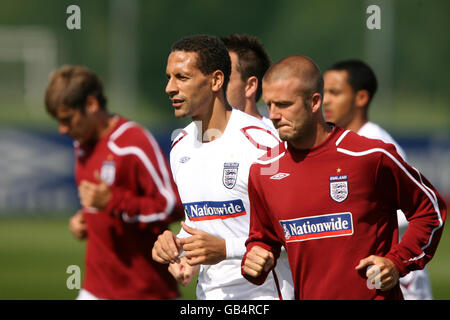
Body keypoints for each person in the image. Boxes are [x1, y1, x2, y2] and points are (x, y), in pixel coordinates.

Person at [241, 55, 446, 299]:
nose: (273, 115)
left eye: (284, 105)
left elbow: (430, 210)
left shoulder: (370, 156)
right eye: (270, 104)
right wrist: (255, 256)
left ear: (315, 102)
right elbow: (263, 239)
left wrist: (396, 262)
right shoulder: (264, 170)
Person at [152, 34, 294, 300]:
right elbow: (203, 223)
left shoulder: (262, 145)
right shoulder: (180, 146)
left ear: (216, 80)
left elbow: (298, 232)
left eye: (182, 78)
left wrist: (226, 249)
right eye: (169, 77)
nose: (169, 88)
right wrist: (176, 245)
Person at [44, 65, 184, 300]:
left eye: (67, 119)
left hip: (145, 291)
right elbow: (103, 205)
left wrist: (113, 202)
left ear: (91, 105)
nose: (62, 129)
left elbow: (174, 205)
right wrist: (85, 218)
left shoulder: (133, 143)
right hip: (95, 288)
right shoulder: (82, 145)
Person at [323, 59, 433, 300]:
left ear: (361, 98)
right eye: (323, 92)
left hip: (399, 277)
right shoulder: (337, 145)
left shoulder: (379, 146)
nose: (325, 100)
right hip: (363, 274)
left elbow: (415, 211)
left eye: (335, 92)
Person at [221, 33, 273, 128]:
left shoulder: (277, 138)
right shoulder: (193, 137)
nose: (214, 87)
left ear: (250, 86)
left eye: (224, 80)